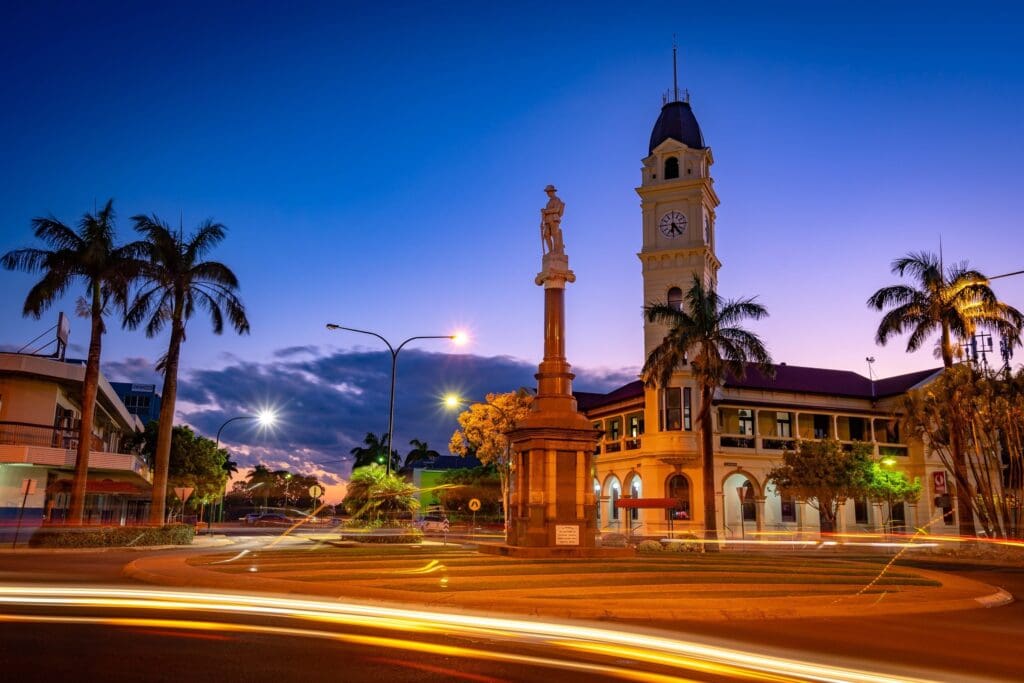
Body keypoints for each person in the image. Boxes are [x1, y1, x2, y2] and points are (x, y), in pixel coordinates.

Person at [540, 184, 565, 254]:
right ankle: (551, 251)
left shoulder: (557, 199)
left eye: (548, 192)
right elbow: (546, 212)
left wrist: (546, 211)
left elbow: (556, 210)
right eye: (547, 192)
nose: (547, 194)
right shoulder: (548, 202)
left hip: (554, 219)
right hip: (547, 221)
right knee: (546, 234)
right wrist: (543, 216)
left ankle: (556, 250)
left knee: (555, 234)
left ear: (552, 192)